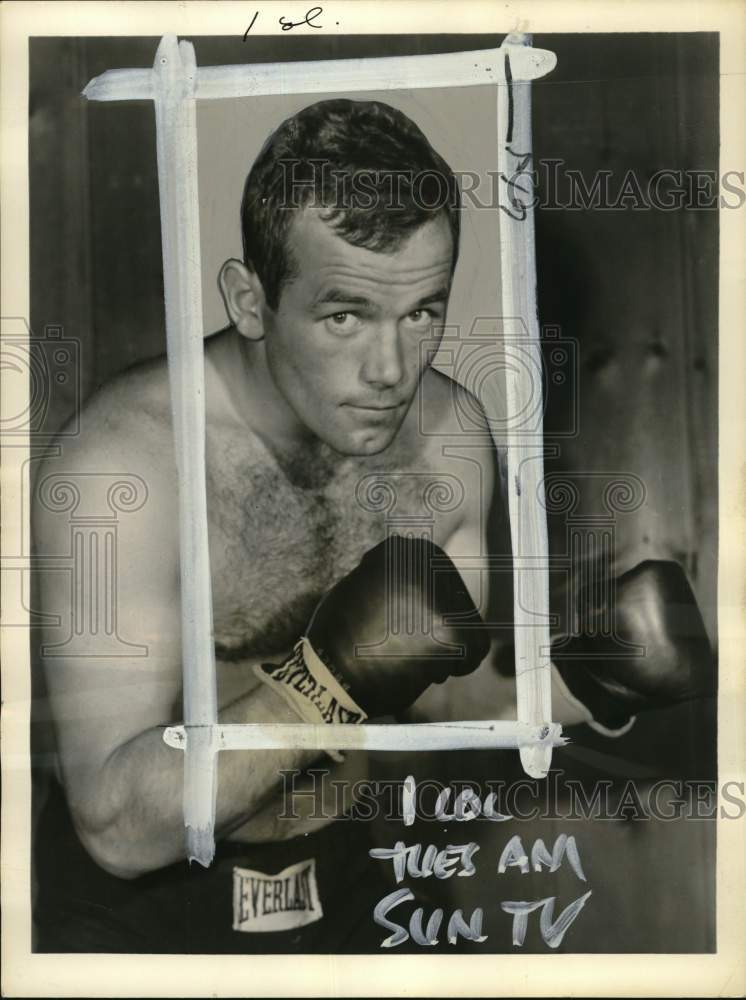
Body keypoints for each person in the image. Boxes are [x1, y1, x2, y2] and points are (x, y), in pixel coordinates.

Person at [31, 98, 713, 954]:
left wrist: (589, 683)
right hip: (136, 906)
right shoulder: (120, 470)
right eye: (344, 316)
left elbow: (442, 677)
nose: (392, 371)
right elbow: (116, 829)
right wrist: (327, 676)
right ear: (251, 300)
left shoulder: (448, 441)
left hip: (345, 864)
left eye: (422, 311)